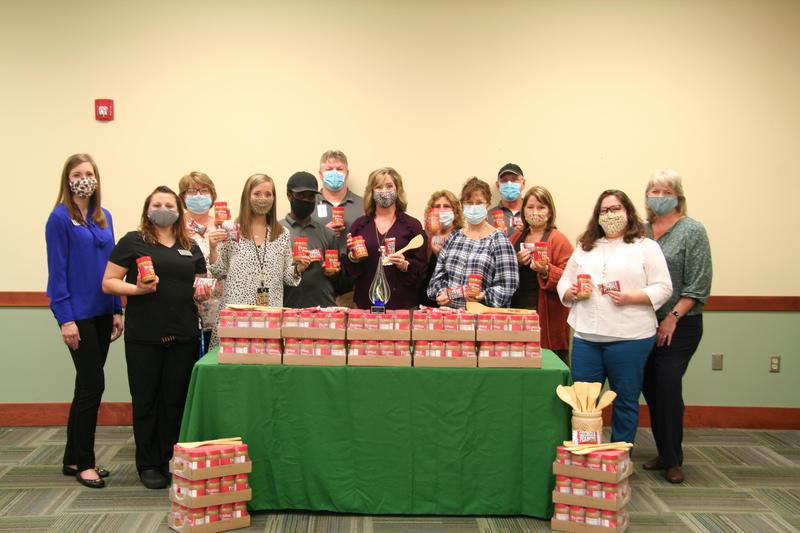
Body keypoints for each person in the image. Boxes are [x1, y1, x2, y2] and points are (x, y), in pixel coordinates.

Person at [102, 186, 211, 489]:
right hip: (145, 336)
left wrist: (204, 289)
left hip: (183, 334)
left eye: (169, 203)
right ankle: (148, 464)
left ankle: (169, 458)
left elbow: (202, 281)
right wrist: (136, 290)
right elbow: (109, 282)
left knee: (175, 401)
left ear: (178, 209)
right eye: (157, 203)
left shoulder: (190, 244)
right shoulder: (133, 241)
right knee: (146, 401)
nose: (163, 208)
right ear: (147, 209)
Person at [557, 190, 672, 446]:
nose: (610, 215)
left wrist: (632, 297)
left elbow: (664, 287)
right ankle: (586, 456)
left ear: (628, 212)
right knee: (583, 402)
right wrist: (570, 291)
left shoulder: (646, 247)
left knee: (625, 400)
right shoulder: (585, 247)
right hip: (588, 336)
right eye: (604, 210)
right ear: (597, 216)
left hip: (630, 337)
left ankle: (619, 459)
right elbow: (565, 280)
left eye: (616, 208)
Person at [45, 153, 123, 489]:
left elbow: (113, 267)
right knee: (94, 385)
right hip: (77, 315)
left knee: (84, 386)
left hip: (104, 311)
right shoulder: (59, 218)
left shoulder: (104, 216)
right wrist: (65, 319)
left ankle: (71, 457)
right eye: (77, 173)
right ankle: (86, 463)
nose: (84, 178)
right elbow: (57, 273)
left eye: (89, 173)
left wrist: (118, 308)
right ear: (67, 179)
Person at [641, 169, 712, 484]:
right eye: (653, 191)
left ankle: (674, 460)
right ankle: (664, 451)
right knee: (651, 387)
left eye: (664, 190)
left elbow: (698, 286)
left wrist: (673, 317)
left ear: (678, 195)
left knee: (668, 383)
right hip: (643, 323)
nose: (658, 196)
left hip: (680, 323)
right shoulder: (641, 231)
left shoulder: (692, 231)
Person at [209, 174, 307, 340]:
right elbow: (218, 272)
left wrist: (299, 268)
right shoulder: (230, 229)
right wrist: (212, 248)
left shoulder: (282, 234)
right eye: (257, 194)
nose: (263, 198)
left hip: (269, 317)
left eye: (268, 194)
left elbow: (287, 278)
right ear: (247, 196)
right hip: (236, 316)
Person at [428, 177, 519, 309]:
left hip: (483, 320)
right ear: (462, 205)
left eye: (479, 203)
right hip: (450, 318)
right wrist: (441, 292)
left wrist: (484, 295)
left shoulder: (499, 240)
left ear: (487, 204)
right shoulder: (454, 237)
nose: (474, 207)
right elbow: (438, 276)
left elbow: (509, 284)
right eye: (469, 203)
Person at [344, 167, 427, 309]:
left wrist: (405, 265)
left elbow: (422, 268)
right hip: (366, 305)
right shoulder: (360, 225)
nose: (384, 191)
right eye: (378, 187)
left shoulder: (412, 225)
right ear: (371, 192)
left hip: (402, 306)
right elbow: (350, 273)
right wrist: (353, 258)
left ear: (398, 190)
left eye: (389, 186)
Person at [509, 186, 573, 362]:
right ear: (523, 211)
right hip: (517, 314)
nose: (535, 212)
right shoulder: (514, 238)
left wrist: (546, 270)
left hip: (548, 319)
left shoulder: (558, 239)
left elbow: (570, 279)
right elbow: (503, 272)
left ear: (550, 211)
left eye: (541, 207)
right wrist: (516, 261)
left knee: (549, 368)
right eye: (530, 207)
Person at [178, 171, 226, 354]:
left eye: (203, 190)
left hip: (219, 311)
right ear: (183, 197)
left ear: (212, 194)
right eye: (191, 191)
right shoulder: (175, 228)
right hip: (187, 312)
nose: (198, 195)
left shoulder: (225, 226)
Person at [280, 171, 342, 308]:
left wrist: (333, 273)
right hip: (287, 309)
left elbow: (339, 281)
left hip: (323, 309)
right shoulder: (276, 232)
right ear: (289, 195)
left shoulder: (327, 234)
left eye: (311, 197)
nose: (306, 200)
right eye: (301, 195)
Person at [311, 150, 364, 306]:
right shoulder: (309, 204)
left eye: (339, 169)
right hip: (318, 281)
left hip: (352, 284)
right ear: (320, 174)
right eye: (329, 169)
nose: (334, 173)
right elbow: (301, 239)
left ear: (347, 173)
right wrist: (323, 232)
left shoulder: (362, 205)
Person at [418, 190, 463, 307]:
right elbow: (419, 269)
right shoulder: (423, 236)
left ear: (456, 212)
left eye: (447, 206)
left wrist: (440, 254)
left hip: (452, 300)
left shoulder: (462, 236)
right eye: (437, 206)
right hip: (425, 299)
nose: (441, 210)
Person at [489, 163, 526, 234]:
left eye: (514, 180)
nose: (509, 184)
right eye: (504, 181)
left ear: (523, 183)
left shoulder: (532, 213)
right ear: (498, 185)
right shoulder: (489, 216)